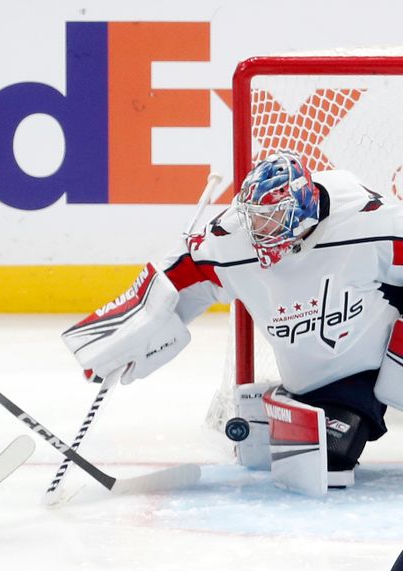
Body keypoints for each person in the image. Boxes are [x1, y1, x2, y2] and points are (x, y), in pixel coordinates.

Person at [61, 151, 403, 494]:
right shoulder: (232, 241)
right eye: (255, 218)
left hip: (383, 336)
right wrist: (125, 333)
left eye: (273, 218)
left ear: (301, 207)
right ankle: (306, 404)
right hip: (337, 375)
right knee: (330, 461)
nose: (260, 231)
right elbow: (178, 278)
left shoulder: (369, 223)